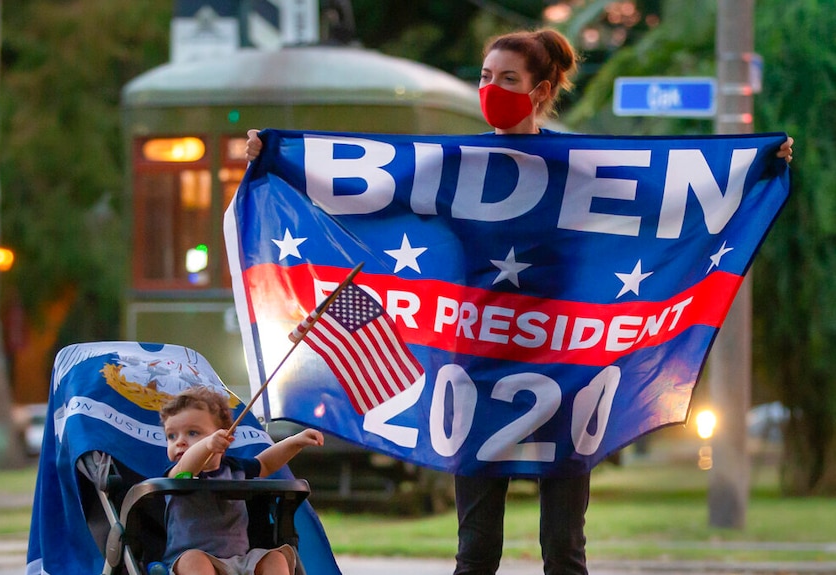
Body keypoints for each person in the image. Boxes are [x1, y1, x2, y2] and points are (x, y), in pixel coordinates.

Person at [243, 27, 794, 575]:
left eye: (508, 78)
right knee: (476, 550)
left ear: (541, 89)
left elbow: (670, 197)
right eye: (485, 76)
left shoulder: (578, 163)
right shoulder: (457, 161)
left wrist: (757, 163)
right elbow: (366, 189)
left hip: (567, 369)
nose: (491, 87)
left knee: (564, 549)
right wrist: (276, 158)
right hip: (476, 370)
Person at [159, 387, 324, 575]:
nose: (179, 442)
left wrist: (295, 442)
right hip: (189, 559)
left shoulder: (235, 469)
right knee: (193, 559)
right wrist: (206, 444)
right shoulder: (179, 473)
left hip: (239, 560)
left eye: (193, 433)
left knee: (275, 558)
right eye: (171, 436)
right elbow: (187, 466)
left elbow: (266, 463)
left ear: (226, 435)